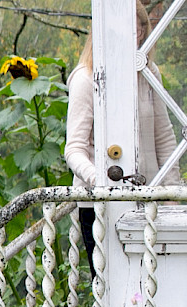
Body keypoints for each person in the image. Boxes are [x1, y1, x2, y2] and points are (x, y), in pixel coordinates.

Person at [64, 1, 180, 256]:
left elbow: (164, 136)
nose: (135, 40)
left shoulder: (150, 73)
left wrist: (172, 196)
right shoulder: (85, 79)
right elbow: (74, 149)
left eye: (140, 33)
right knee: (110, 287)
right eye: (130, 32)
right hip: (100, 207)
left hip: (149, 199)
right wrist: (102, 182)